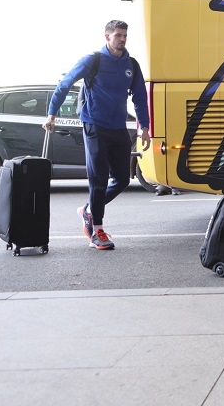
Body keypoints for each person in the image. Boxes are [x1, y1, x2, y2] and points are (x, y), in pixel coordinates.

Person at [43, 20, 151, 250]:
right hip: (94, 125)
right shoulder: (93, 60)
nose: (122, 39)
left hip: (118, 127)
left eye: (125, 35)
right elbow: (65, 84)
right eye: (118, 35)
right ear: (107, 36)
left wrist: (144, 126)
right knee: (98, 179)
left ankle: (89, 210)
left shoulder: (131, 64)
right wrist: (52, 114)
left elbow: (140, 97)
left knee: (122, 179)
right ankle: (96, 232)